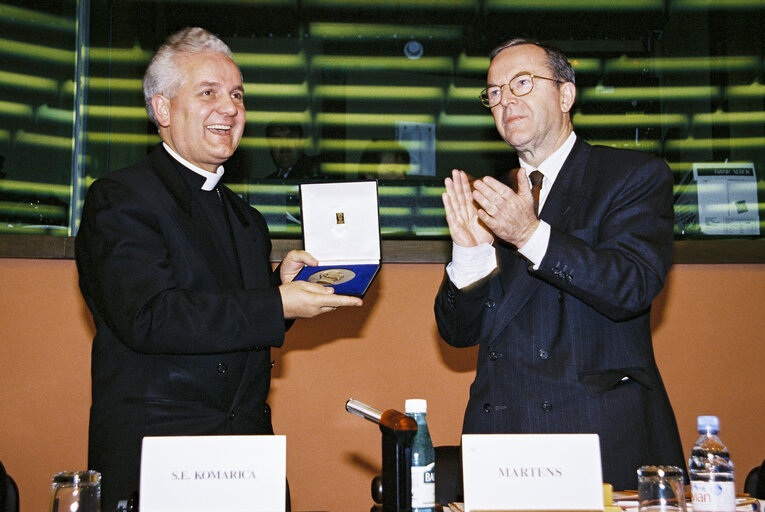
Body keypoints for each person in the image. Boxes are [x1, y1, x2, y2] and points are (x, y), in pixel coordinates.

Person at [75, 27, 362, 510]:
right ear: (162, 109)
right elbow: (150, 315)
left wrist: (282, 287)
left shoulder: (245, 219)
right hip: (162, 452)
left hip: (247, 452)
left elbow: (229, 313)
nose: (229, 108)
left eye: (236, 95)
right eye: (208, 93)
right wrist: (274, 302)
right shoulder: (119, 198)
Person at [434, 38, 685, 490]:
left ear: (566, 95)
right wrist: (470, 254)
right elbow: (458, 334)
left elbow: (631, 285)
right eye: (494, 92)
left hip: (595, 435)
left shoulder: (631, 176)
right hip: (501, 439)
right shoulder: (494, 196)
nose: (505, 99)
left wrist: (530, 235)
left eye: (522, 83)